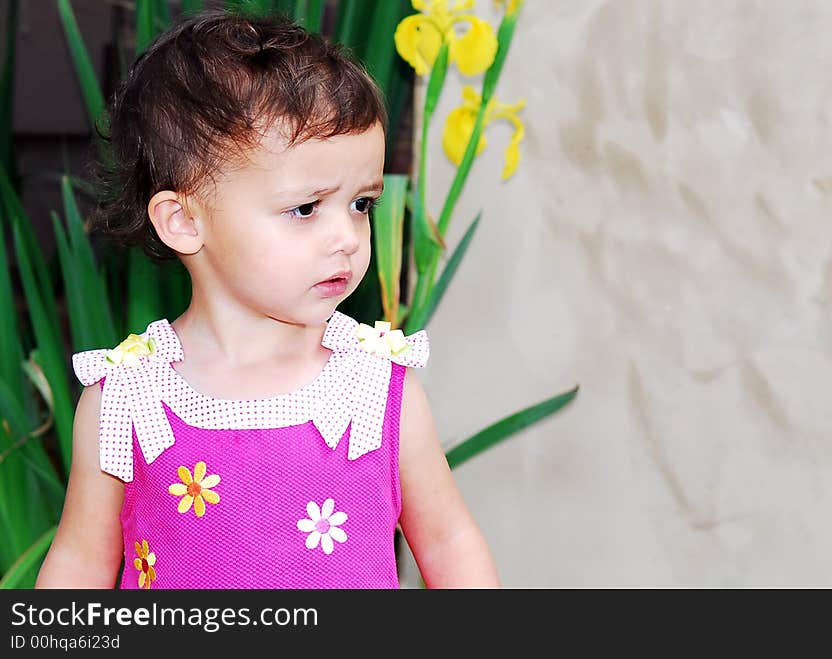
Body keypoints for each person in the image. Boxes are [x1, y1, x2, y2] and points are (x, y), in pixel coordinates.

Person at [35, 9, 500, 589]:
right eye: (306, 208)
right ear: (182, 220)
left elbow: (450, 541)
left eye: (361, 205)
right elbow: (81, 563)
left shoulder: (376, 387)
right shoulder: (127, 396)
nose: (346, 238)